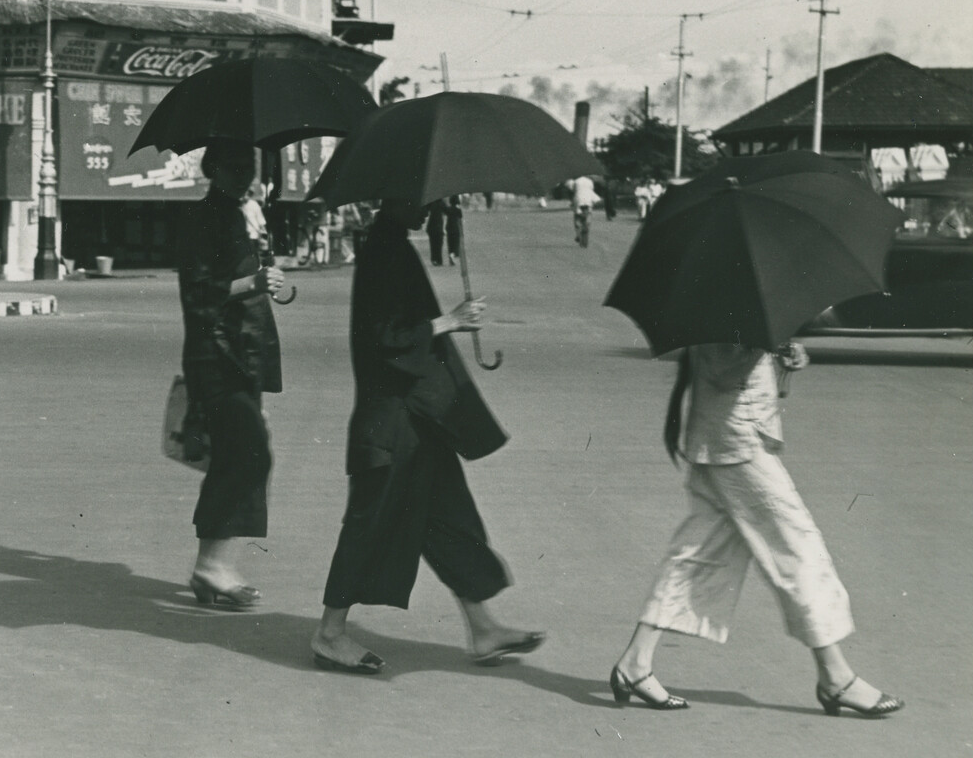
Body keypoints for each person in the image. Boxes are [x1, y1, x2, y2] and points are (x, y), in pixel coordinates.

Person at [310, 199, 546, 674]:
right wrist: (450, 321)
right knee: (369, 523)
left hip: (418, 416)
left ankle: (483, 629)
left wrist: (450, 323)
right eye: (422, 198)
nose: (429, 207)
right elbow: (384, 337)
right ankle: (329, 633)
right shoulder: (382, 248)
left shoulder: (393, 244)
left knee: (446, 517)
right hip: (392, 420)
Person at [608, 342, 903, 718]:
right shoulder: (722, 296)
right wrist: (765, 346)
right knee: (797, 547)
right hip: (737, 444)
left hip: (721, 436)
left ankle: (635, 663)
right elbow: (723, 368)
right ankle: (836, 677)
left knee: (698, 555)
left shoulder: (726, 293)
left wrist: (782, 352)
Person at [176, 139, 285, 608]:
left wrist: (269, 276)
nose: (246, 174)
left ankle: (212, 568)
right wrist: (255, 282)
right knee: (249, 455)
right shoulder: (205, 217)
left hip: (244, 353)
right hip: (217, 355)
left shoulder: (243, 214)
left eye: (251, 166)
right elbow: (199, 293)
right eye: (237, 165)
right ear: (213, 167)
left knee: (239, 455)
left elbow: (249, 280)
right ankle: (211, 566)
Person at [570, 175, 600, 246]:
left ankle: (578, 234)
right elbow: (592, 190)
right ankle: (587, 223)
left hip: (579, 200)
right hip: (588, 200)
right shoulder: (590, 181)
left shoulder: (576, 181)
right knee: (589, 213)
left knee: (576, 217)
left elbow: (574, 191)